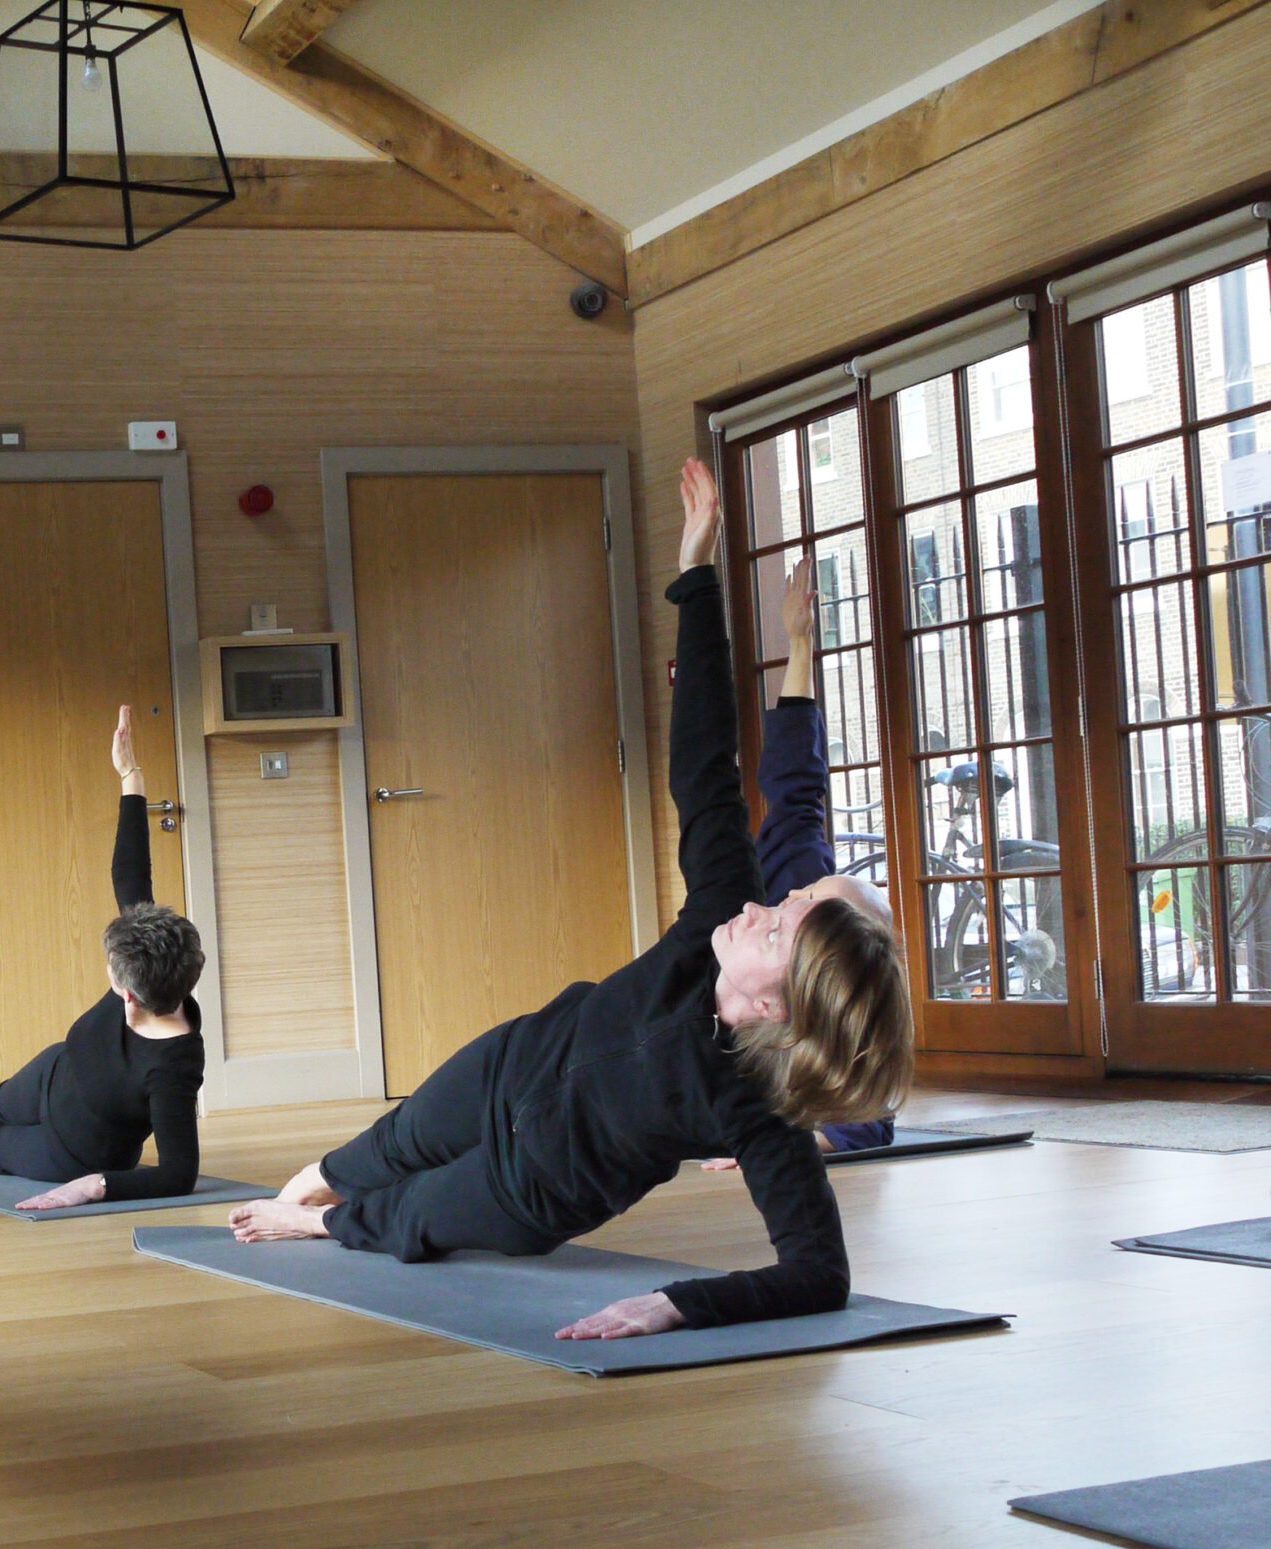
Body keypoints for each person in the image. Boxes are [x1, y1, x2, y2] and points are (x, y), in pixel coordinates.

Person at [227, 458, 915, 1342]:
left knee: (407, 1216)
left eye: (774, 928)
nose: (756, 910)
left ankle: (315, 1225)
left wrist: (679, 1303)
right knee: (368, 1156)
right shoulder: (718, 913)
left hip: (535, 1188)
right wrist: (696, 576)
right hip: (515, 1061)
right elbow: (705, 764)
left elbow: (819, 1271)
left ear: (780, 1005)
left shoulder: (757, 1104)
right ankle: (310, 1193)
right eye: (775, 907)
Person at [0, 709, 205, 1210]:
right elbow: (130, 876)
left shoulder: (173, 1068)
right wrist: (131, 776)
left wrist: (97, 1185)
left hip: (76, 1149)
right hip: (55, 1072)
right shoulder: (157, 961)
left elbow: (179, 1173)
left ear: (127, 994)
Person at [707, 558, 895, 1162]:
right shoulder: (798, 876)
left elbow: (864, 1123)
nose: (793, 898)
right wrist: (798, 643)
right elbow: (796, 780)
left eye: (813, 903)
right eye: (810, 892)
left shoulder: (837, 1001)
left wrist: (777, 1146)